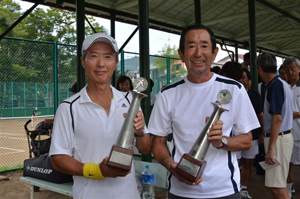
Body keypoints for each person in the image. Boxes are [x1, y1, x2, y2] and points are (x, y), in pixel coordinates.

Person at [148, 24, 260, 199]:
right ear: (181, 54)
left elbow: (247, 140)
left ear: (214, 53)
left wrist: (222, 141)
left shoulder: (234, 89)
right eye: (191, 46)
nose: (198, 53)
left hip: (224, 190)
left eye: (204, 46)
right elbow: (158, 143)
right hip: (180, 190)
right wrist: (171, 166)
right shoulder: (167, 94)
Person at [49, 33, 152, 199]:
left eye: (108, 57)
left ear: (116, 62)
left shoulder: (131, 100)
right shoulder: (68, 107)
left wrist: (140, 132)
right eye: (94, 56)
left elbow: (146, 148)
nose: (101, 64)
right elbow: (58, 158)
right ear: (83, 61)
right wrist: (97, 170)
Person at [257, 52, 293, 199]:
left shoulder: (275, 86)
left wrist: (271, 147)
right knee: (276, 185)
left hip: (278, 139)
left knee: (277, 187)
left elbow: (277, 118)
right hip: (280, 137)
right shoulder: (281, 84)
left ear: (259, 69)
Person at [239, 68, 264, 199]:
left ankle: (243, 189)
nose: (242, 80)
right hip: (235, 137)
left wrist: (262, 133)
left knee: (247, 163)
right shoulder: (232, 94)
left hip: (252, 136)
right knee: (235, 162)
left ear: (249, 81)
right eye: (240, 77)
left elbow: (261, 115)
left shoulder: (255, 95)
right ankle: (234, 187)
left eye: (244, 77)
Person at [283, 57, 300, 198]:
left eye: (292, 69)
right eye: (287, 70)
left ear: (299, 69)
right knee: (288, 164)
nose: (290, 73)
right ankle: (288, 190)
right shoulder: (285, 87)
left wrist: (293, 114)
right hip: (288, 133)